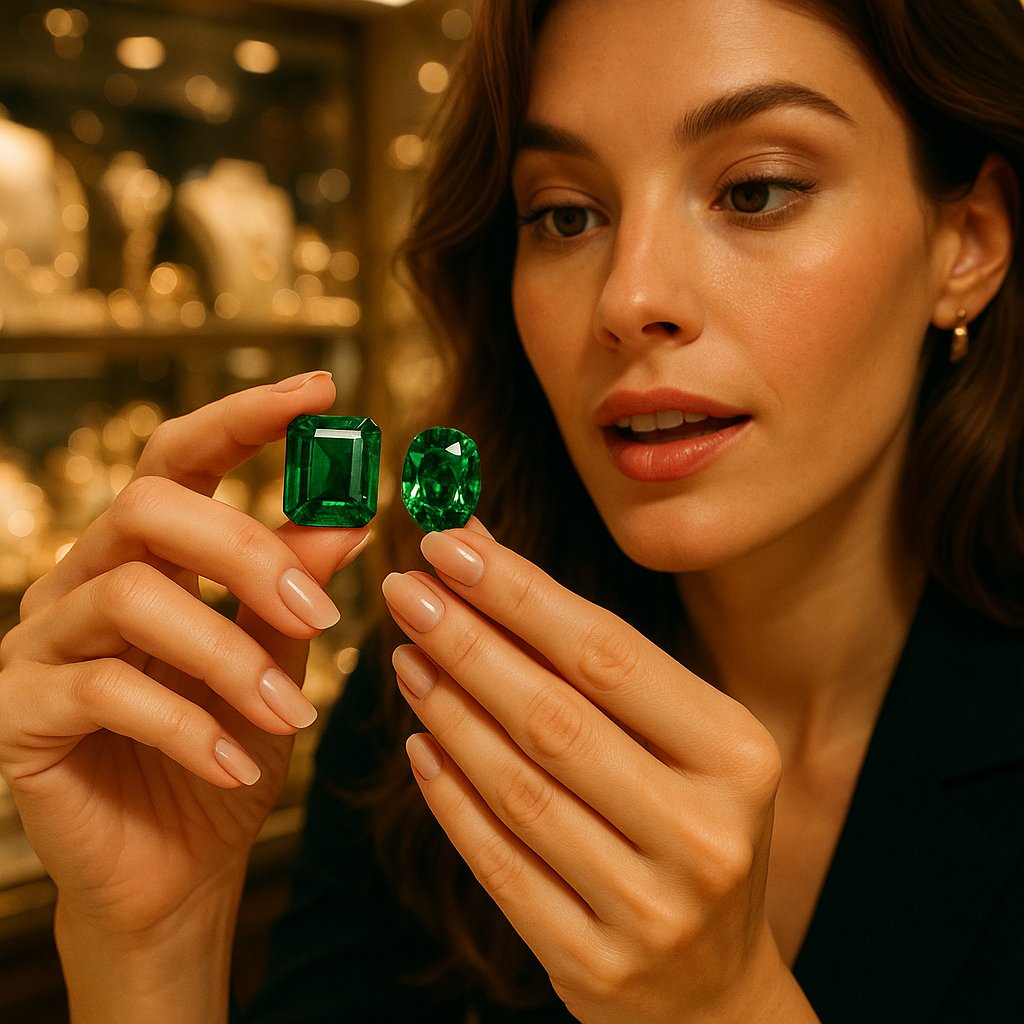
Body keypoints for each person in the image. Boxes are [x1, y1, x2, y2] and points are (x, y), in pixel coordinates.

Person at [0, 0, 1021, 1020]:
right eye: (566, 214)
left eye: (754, 190)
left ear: (965, 242)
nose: (627, 297)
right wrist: (149, 942)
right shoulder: (428, 697)